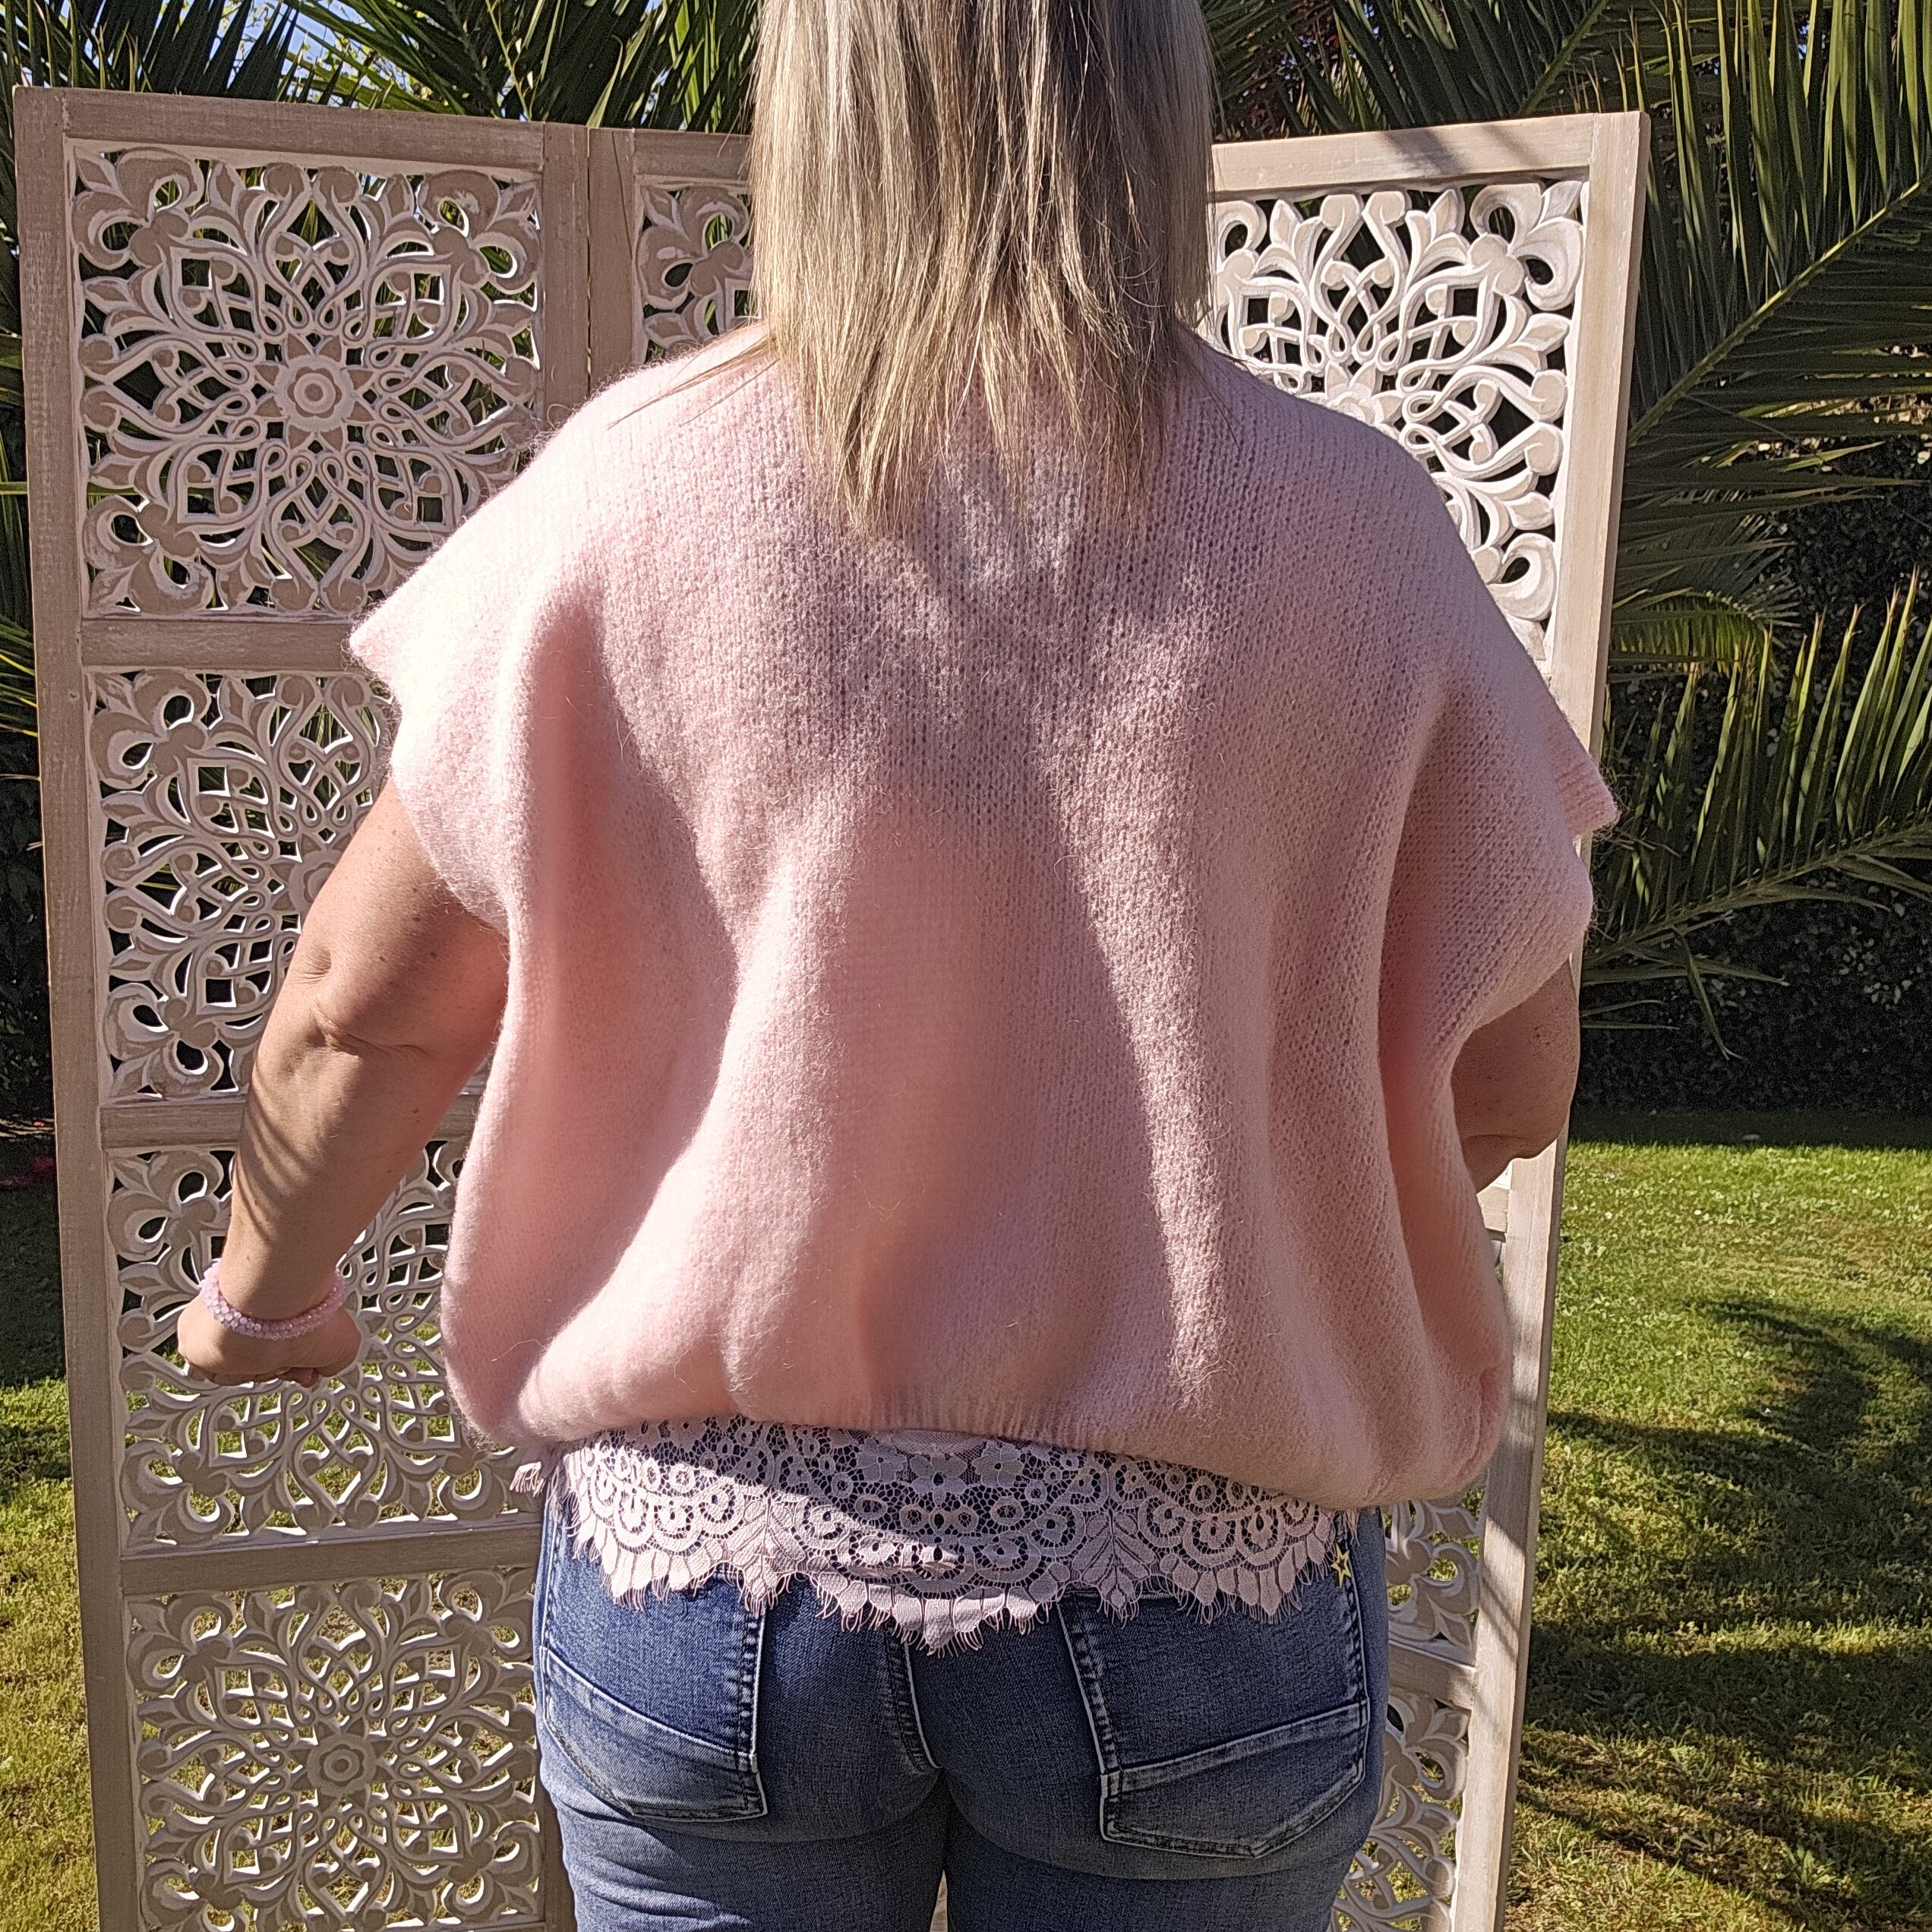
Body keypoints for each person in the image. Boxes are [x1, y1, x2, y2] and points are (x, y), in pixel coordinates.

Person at [175, 0, 1618, 1925]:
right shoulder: (1358, 531)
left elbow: (358, 1004)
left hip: (712, 1598)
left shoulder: (625, 497)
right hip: (1204, 1606)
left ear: (814, 104)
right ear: (1157, 113)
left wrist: (264, 1297)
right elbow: (1511, 1077)